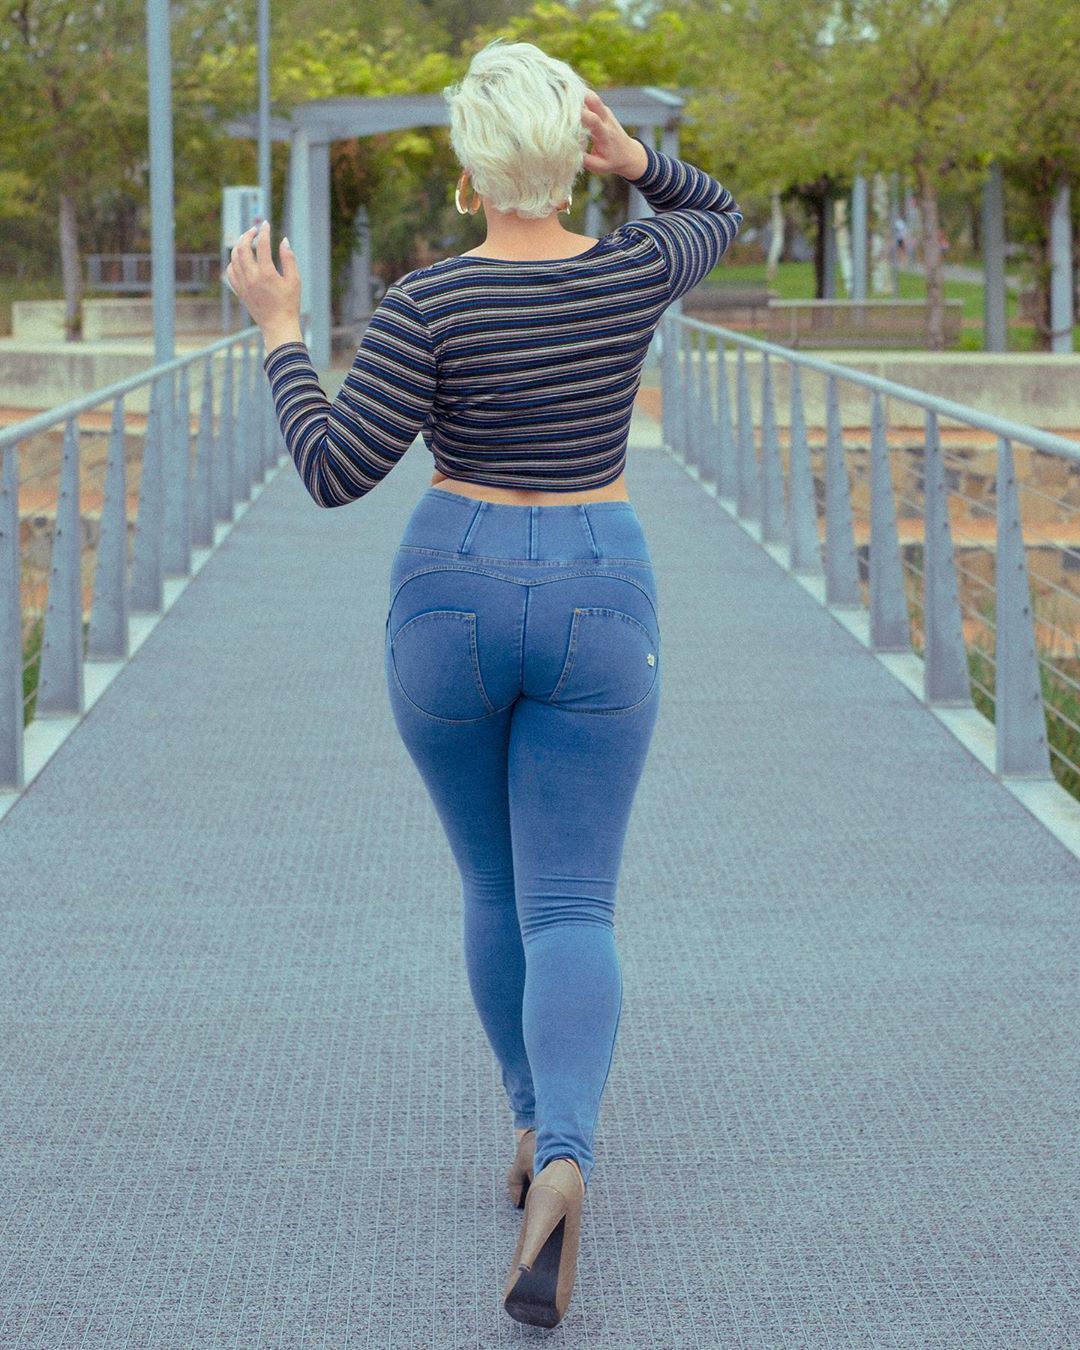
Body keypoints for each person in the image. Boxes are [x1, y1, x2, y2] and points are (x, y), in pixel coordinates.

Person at [226, 38, 740, 1330]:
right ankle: (563, 1152)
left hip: (448, 586)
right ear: (573, 156)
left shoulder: (427, 303)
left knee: (494, 885)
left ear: (467, 170)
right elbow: (716, 214)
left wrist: (281, 330)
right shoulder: (632, 268)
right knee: (573, 901)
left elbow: (335, 470)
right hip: (599, 584)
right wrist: (636, 161)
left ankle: (524, 1117)